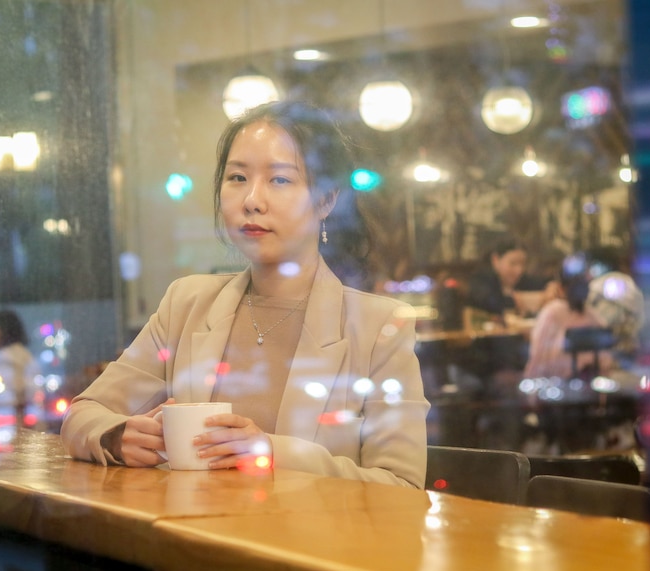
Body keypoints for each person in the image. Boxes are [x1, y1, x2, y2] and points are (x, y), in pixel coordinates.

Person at [61, 101, 429, 487]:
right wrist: (117, 437)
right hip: (192, 537)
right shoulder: (187, 303)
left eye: (280, 180)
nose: (252, 200)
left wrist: (272, 454)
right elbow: (83, 414)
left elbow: (401, 486)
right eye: (237, 178)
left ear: (326, 200)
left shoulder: (378, 326)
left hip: (307, 545)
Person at [523, 257, 612, 380]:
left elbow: (538, 360)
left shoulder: (553, 312)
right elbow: (606, 360)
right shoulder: (591, 316)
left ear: (560, 287)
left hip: (561, 388)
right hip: (583, 389)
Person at [466, 238, 554, 318]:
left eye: (523, 264)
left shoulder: (523, 280)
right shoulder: (481, 280)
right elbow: (491, 302)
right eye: (513, 263)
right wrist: (519, 301)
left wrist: (552, 287)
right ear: (495, 260)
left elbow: (544, 283)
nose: (519, 270)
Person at [0, 309, 39, 427]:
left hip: (14, 428)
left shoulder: (7, 358)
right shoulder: (22, 353)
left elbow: (8, 400)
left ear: (4, 330)